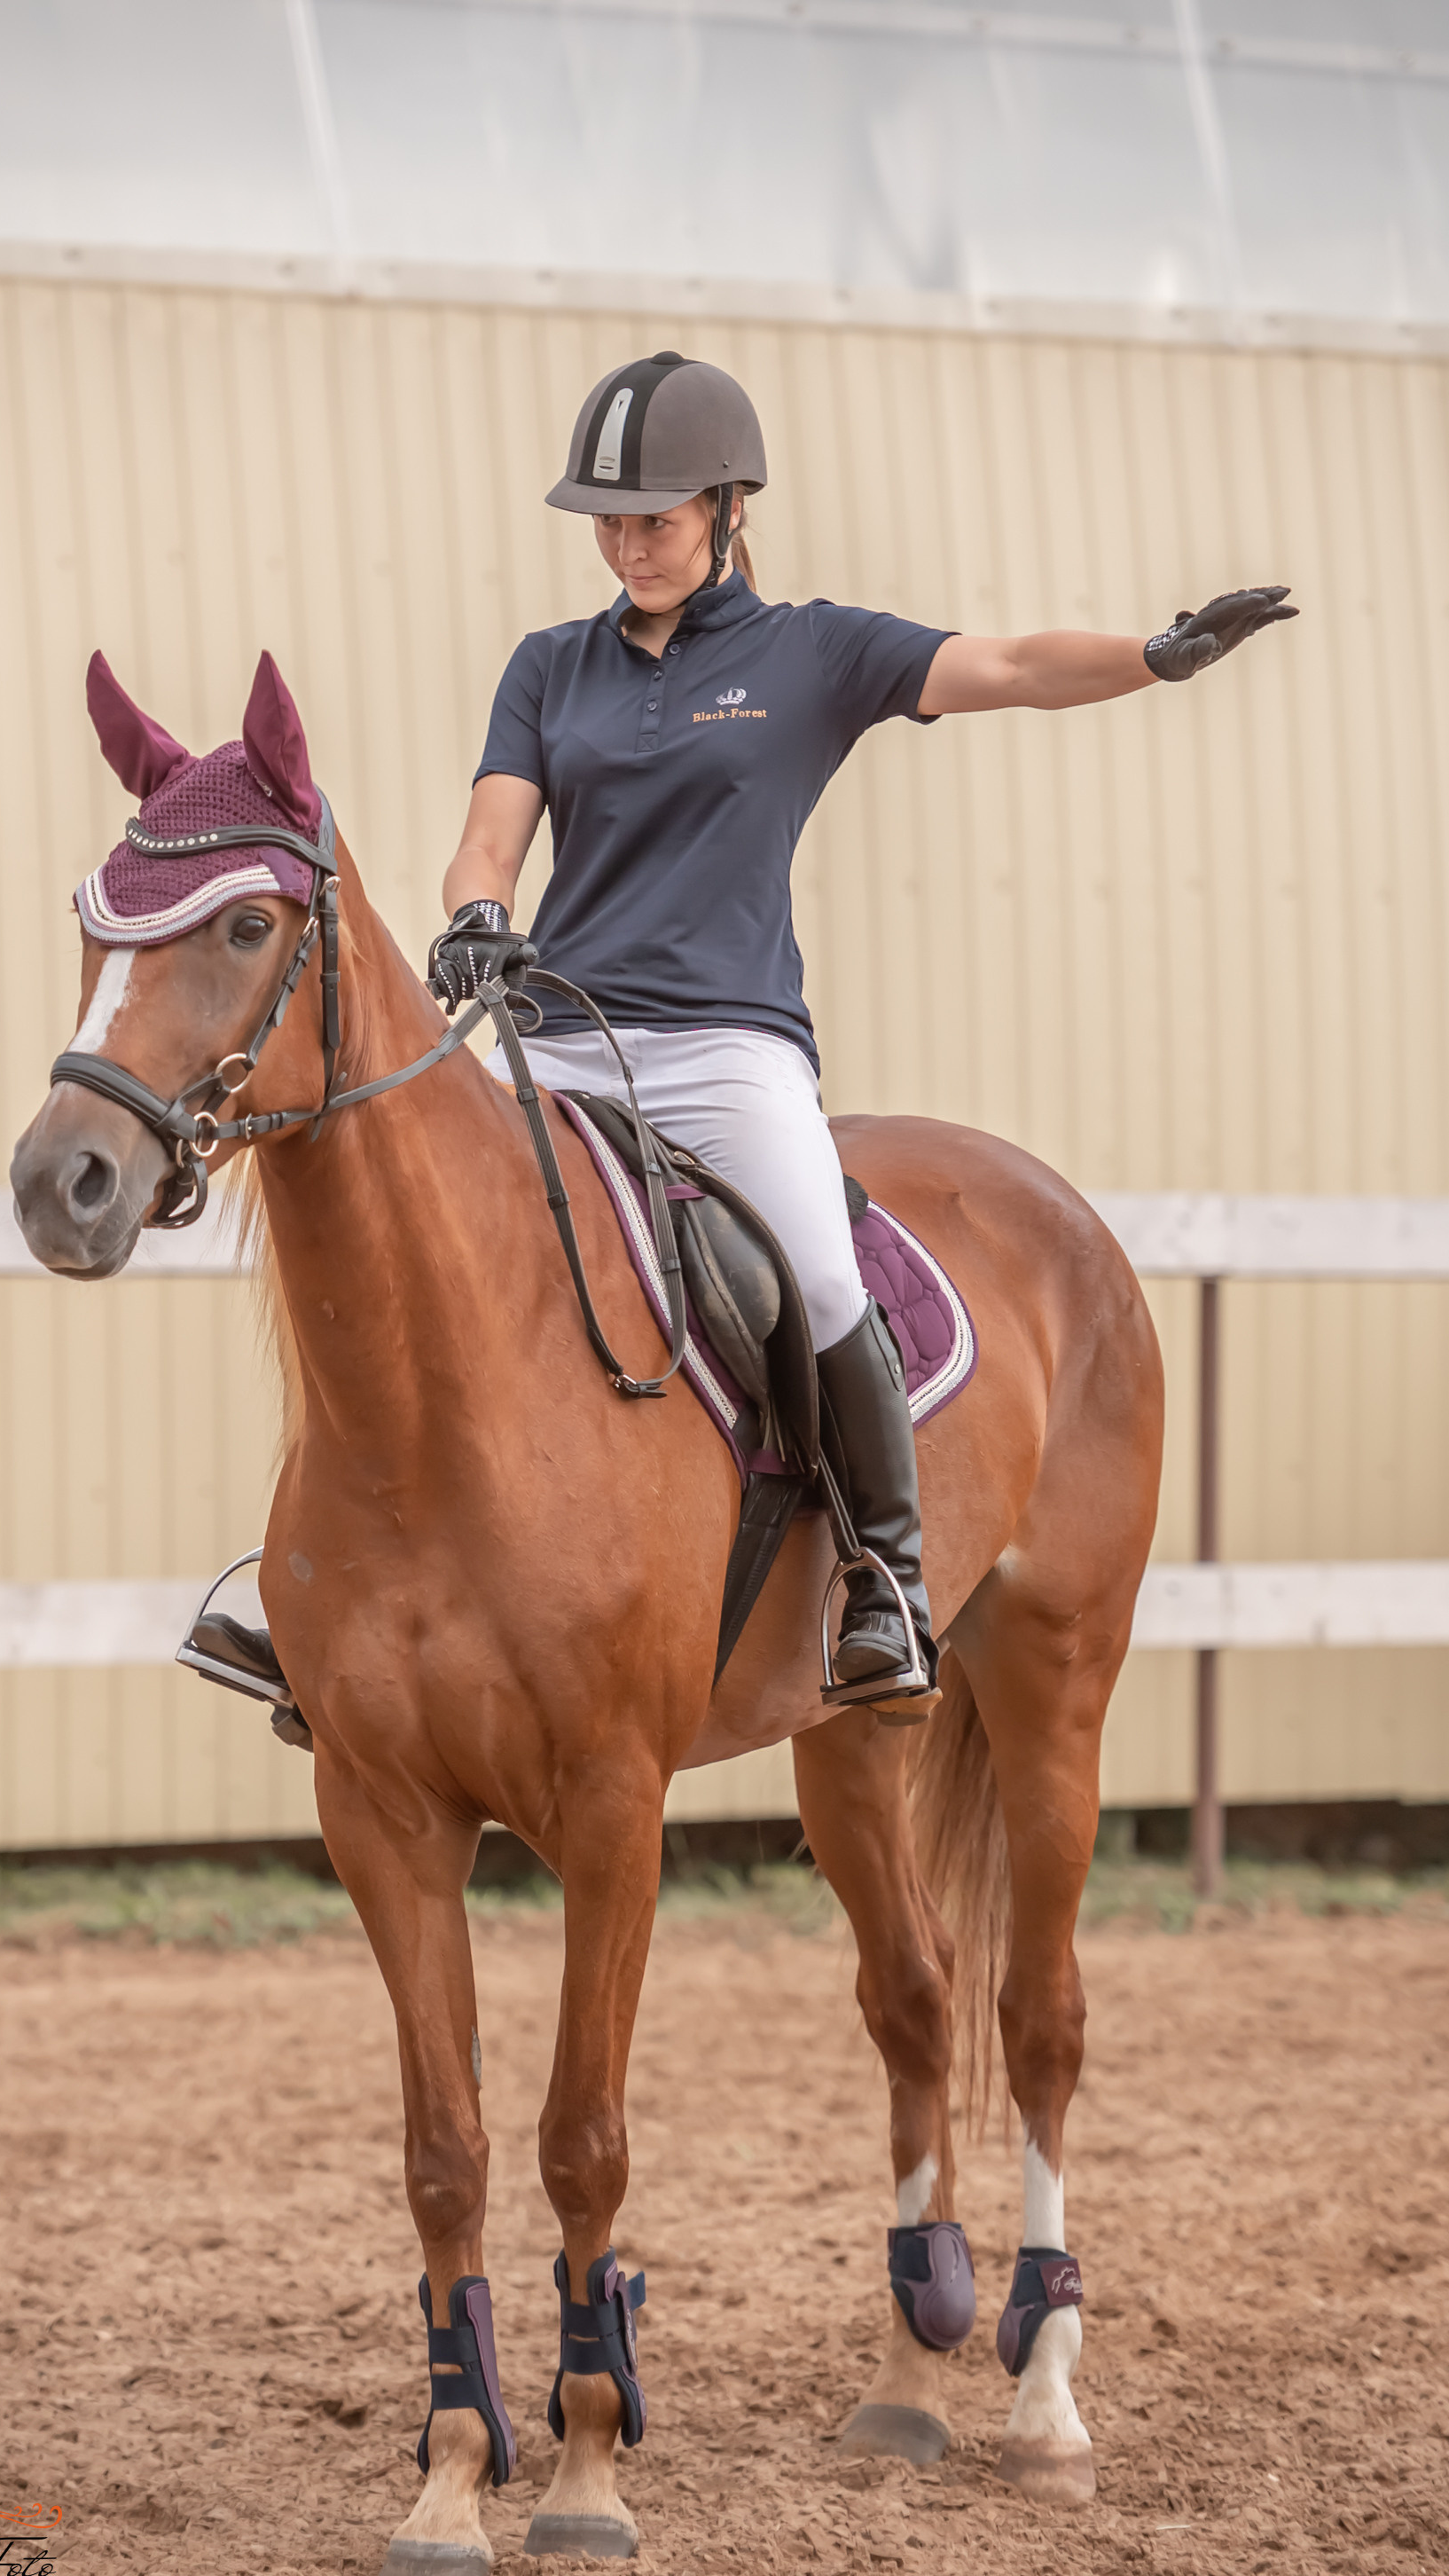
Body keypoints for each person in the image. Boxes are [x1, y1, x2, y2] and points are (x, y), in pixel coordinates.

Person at [428, 350, 1296, 1708]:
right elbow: (488, 840)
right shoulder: (548, 667)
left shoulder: (810, 653)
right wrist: (477, 915)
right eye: (606, 520)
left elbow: (1004, 663)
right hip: (561, 1037)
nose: (625, 544)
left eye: (652, 517)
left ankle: (882, 1575)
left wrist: (1153, 655)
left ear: (726, 505)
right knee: (415, 1236)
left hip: (724, 1047)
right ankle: (333, 1581)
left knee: (824, 1284)